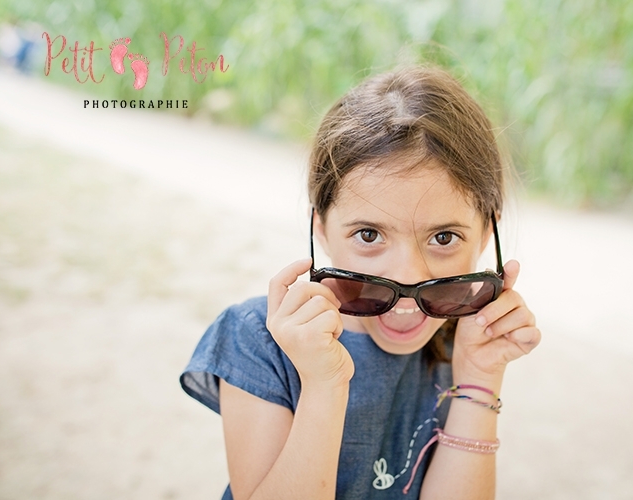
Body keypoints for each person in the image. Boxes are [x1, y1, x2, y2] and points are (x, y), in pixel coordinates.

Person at [180, 65, 541, 500]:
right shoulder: (260, 339)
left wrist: (479, 381)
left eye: (443, 237)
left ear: (486, 235)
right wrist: (323, 385)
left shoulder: (461, 345)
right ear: (322, 229)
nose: (408, 274)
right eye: (368, 235)